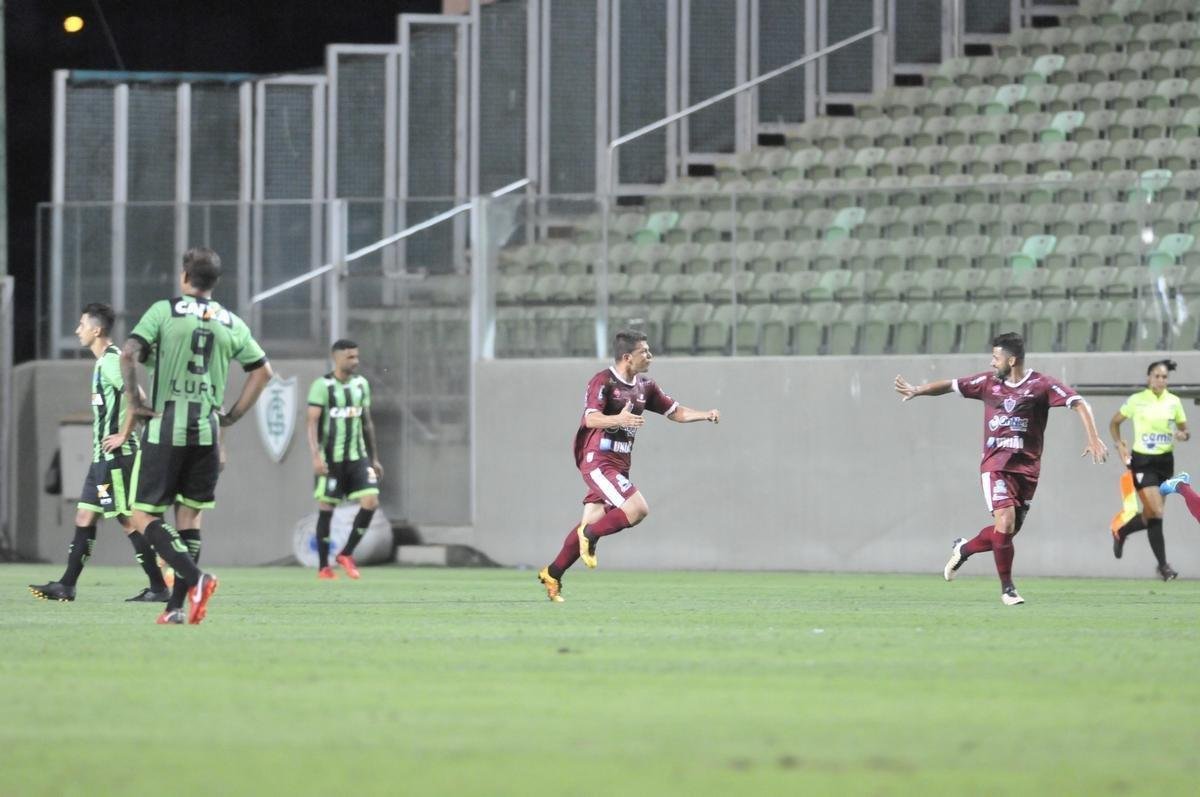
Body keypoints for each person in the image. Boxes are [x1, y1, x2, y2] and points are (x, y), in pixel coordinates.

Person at [894, 332, 1107, 605]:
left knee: (1005, 532)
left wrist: (1093, 437)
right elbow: (950, 385)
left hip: (1028, 469)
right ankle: (1008, 589)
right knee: (1004, 521)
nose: (992, 362)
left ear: (1012, 359)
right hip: (995, 466)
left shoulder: (1041, 385)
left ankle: (964, 548)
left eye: (996, 357)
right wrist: (917, 390)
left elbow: (1079, 403)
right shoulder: (987, 383)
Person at [121, 247, 273, 624]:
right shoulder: (232, 322)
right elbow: (263, 372)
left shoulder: (164, 311)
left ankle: (197, 579)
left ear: (185, 275)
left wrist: (135, 404)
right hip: (207, 430)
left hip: (167, 426)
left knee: (141, 514)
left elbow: (127, 353)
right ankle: (174, 608)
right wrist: (233, 416)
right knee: (189, 519)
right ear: (215, 281)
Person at [537, 330, 720, 602]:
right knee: (636, 509)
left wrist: (705, 414)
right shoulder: (603, 381)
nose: (650, 356)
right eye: (644, 351)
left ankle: (552, 574)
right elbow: (591, 419)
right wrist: (618, 420)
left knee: (591, 522)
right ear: (627, 356)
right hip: (597, 460)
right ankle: (591, 536)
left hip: (619, 465)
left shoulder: (645, 387)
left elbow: (676, 412)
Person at [28, 303, 169, 603]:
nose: (77, 330)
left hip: (116, 458)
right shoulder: (102, 362)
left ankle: (159, 587)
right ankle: (67, 585)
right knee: (84, 516)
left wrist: (123, 434)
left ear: (97, 330)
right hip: (100, 460)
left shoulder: (112, 361)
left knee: (128, 520)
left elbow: (139, 398)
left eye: (81, 324)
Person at [306, 339, 383, 580]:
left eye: (356, 357)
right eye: (350, 357)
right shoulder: (322, 386)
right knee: (327, 508)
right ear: (336, 358)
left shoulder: (361, 385)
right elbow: (311, 423)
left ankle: (346, 553)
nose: (355, 361)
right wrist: (316, 456)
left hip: (358, 457)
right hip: (332, 461)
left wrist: (375, 458)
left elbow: (366, 422)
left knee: (371, 501)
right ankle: (323, 567)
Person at [1108, 359, 1186, 580]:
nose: (1160, 380)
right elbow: (1114, 423)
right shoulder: (1136, 401)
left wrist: (1183, 434)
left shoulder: (1174, 402)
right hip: (1143, 461)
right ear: (1149, 378)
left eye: (1164, 377)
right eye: (1157, 376)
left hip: (1164, 462)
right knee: (1156, 512)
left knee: (1153, 516)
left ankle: (1121, 531)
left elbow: (1184, 429)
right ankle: (1163, 566)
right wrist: (1120, 445)